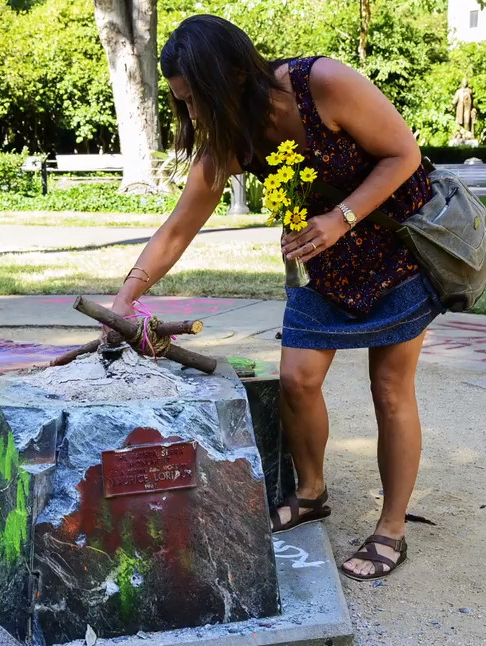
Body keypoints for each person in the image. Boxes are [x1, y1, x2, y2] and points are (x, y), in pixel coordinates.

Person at [106, 15, 441, 582]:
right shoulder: (232, 139)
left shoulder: (324, 84)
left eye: (196, 100)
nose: (192, 116)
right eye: (183, 104)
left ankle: (391, 529)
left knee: (389, 388)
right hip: (321, 263)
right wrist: (125, 299)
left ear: (231, 75)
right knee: (298, 380)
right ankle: (311, 492)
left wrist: (343, 216)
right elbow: (177, 230)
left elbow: (403, 155)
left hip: (396, 248)